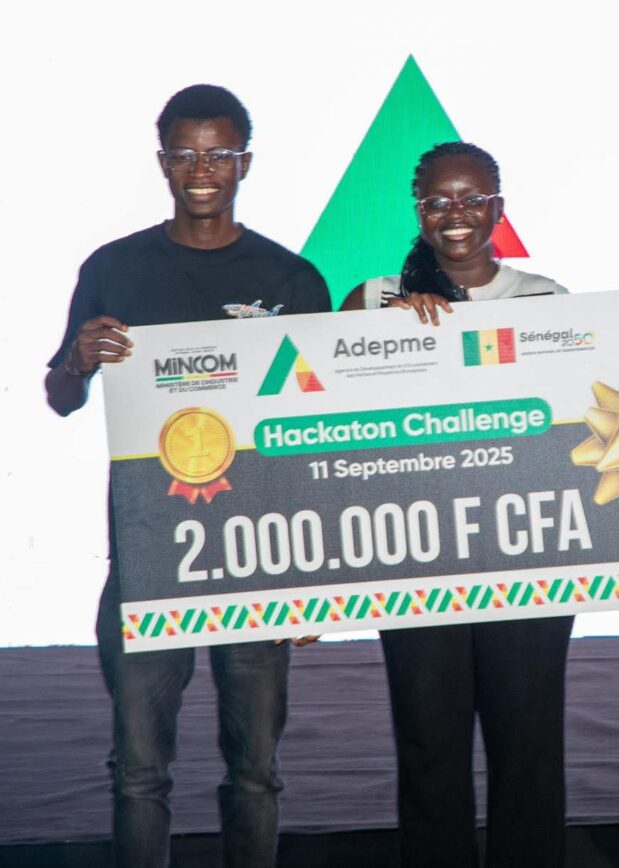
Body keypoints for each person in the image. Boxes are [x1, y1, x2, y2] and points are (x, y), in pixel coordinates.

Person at [45, 84, 331, 868]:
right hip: (149, 555)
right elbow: (60, 397)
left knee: (256, 773)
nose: (202, 170)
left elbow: (316, 431)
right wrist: (77, 361)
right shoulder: (114, 268)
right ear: (163, 162)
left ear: (245, 162)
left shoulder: (292, 279)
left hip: (257, 554)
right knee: (139, 773)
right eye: (185, 154)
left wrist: (314, 573)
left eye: (218, 154)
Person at [343, 141, 573, 868]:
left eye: (473, 199)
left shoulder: (545, 301)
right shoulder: (372, 300)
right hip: (417, 561)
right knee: (429, 752)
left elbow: (578, 424)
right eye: (439, 201)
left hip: (526, 563)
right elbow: (331, 431)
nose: (457, 214)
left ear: (498, 208)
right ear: (418, 211)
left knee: (528, 751)